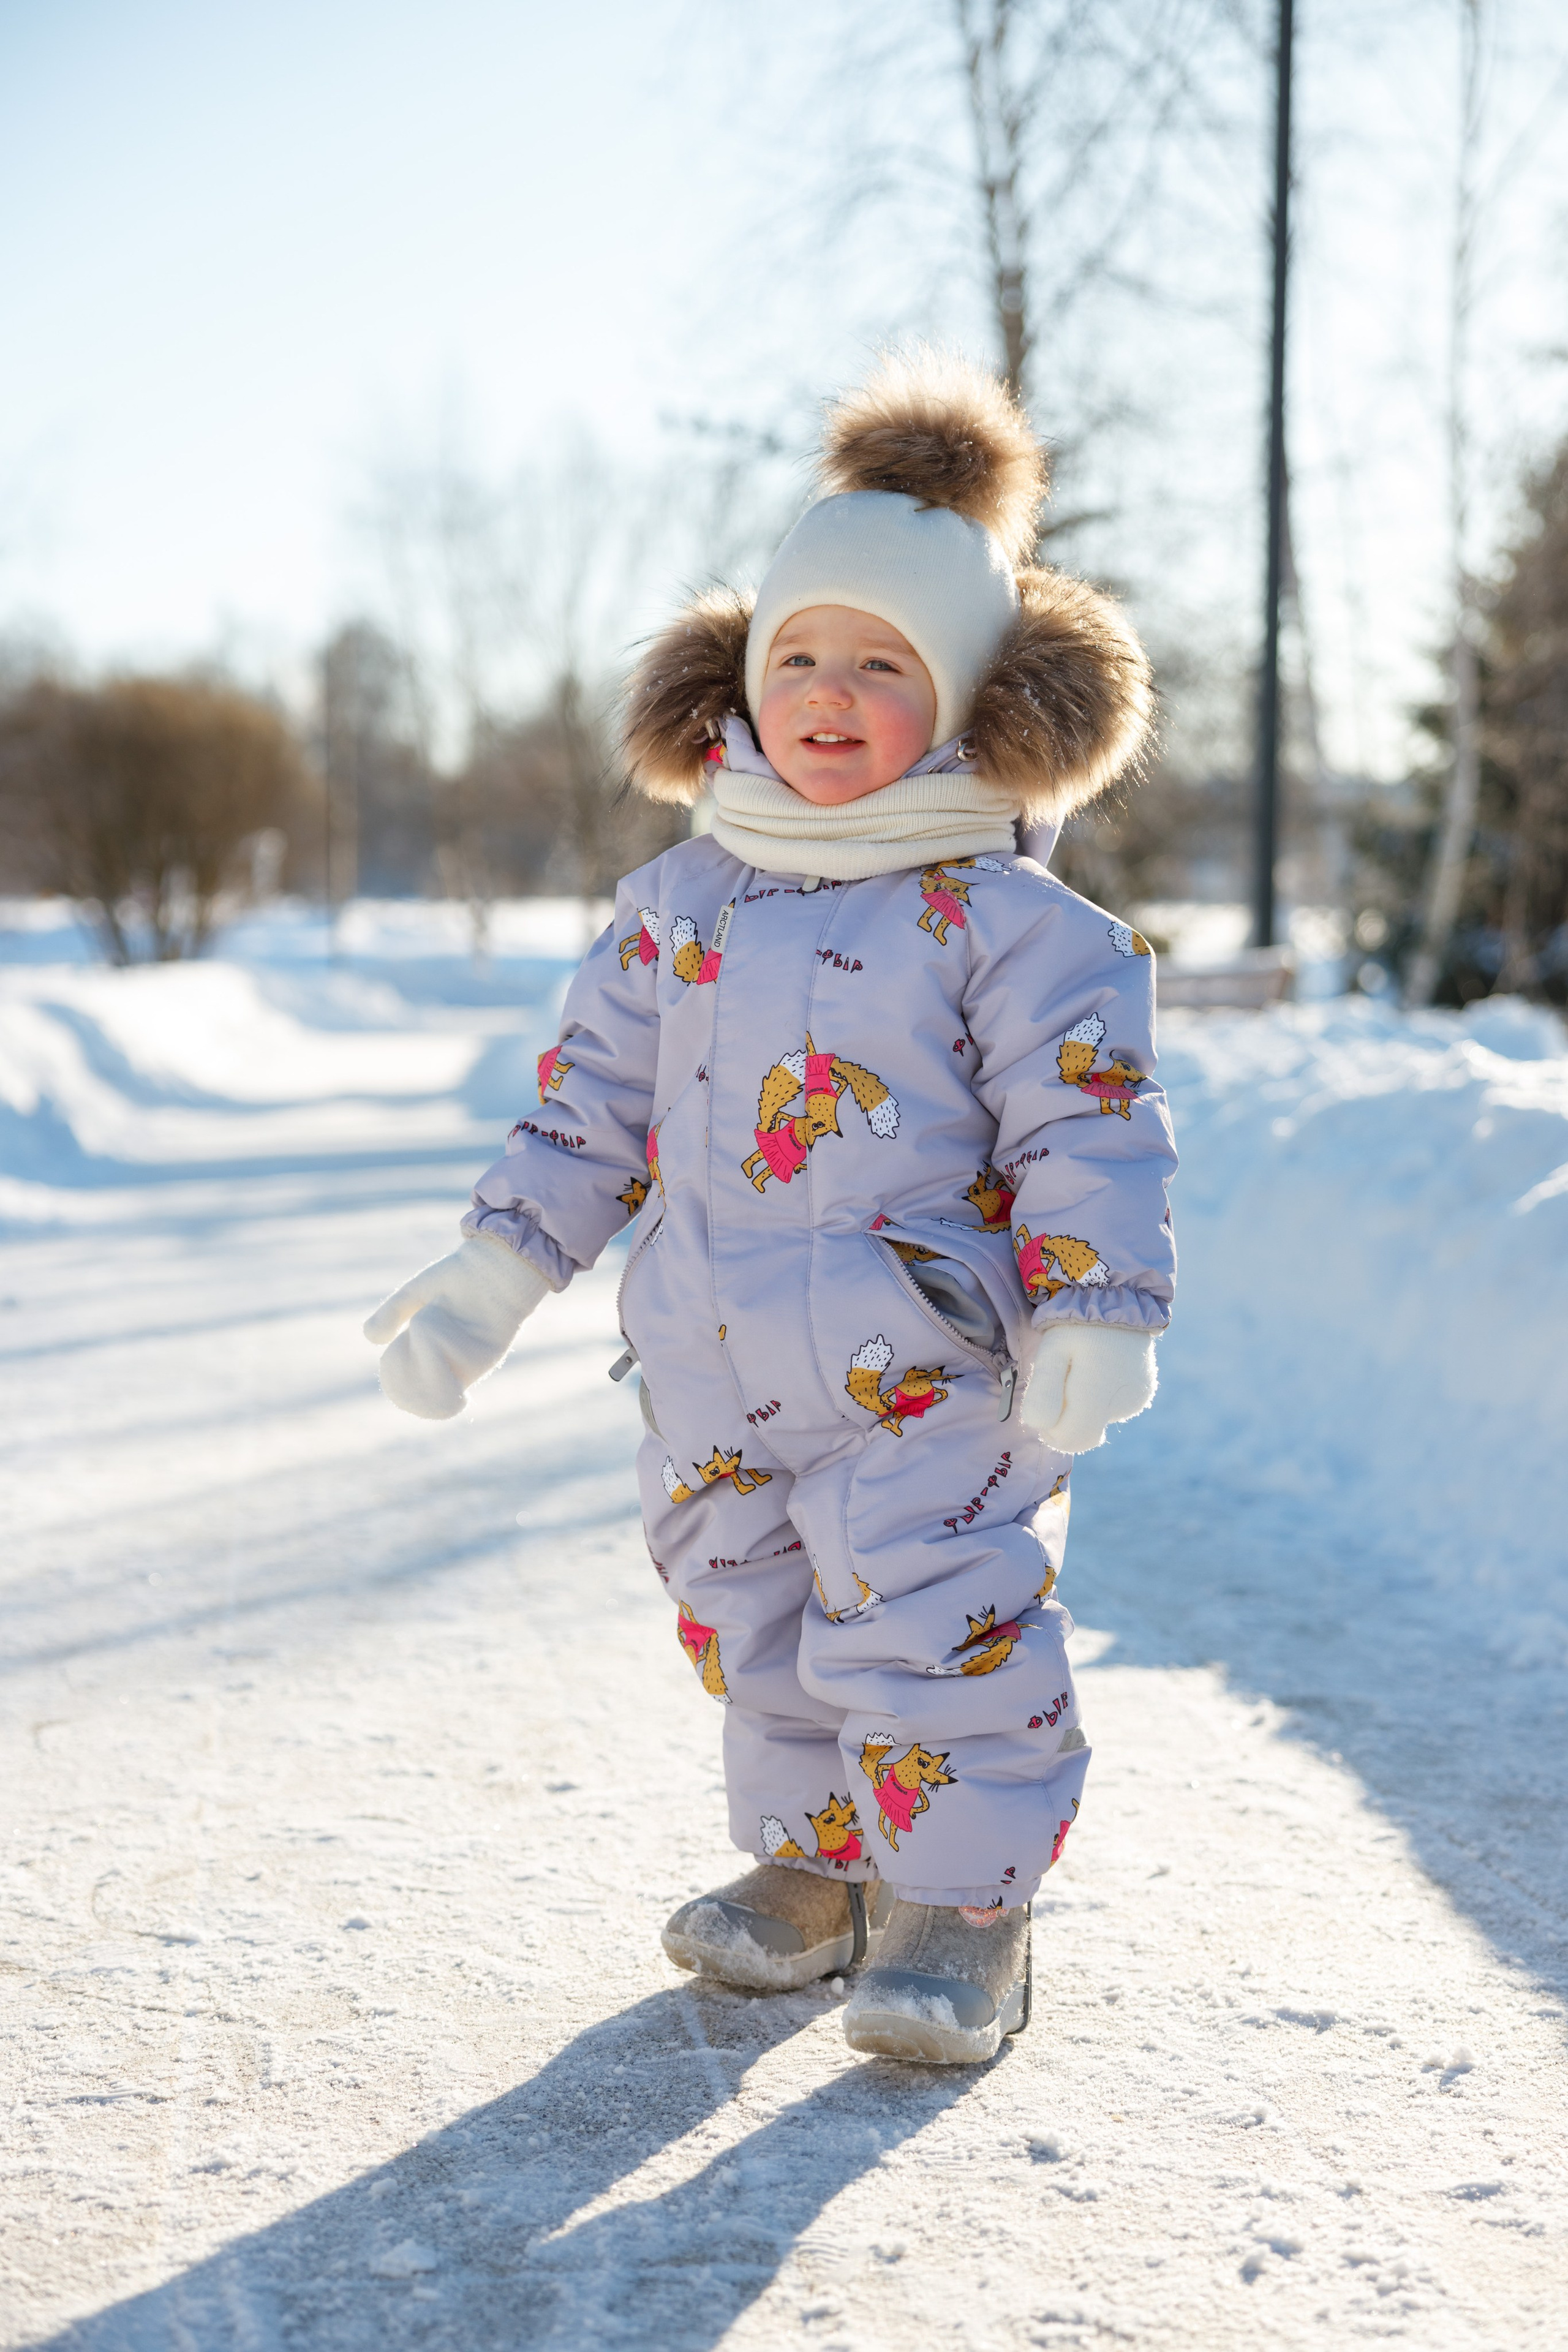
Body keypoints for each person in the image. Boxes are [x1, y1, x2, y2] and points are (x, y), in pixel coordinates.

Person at [364, 350, 1177, 2064]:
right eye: (797, 654)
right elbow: (590, 1108)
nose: (827, 692)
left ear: (962, 702)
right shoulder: (681, 902)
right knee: (754, 1616)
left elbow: (1085, 1122)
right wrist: (495, 1272)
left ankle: (962, 1910)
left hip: (926, 1371)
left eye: (882, 664)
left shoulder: (1014, 924)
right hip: (711, 1363)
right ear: (740, 676)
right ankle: (820, 1871)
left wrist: (1097, 1307)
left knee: (935, 1625)